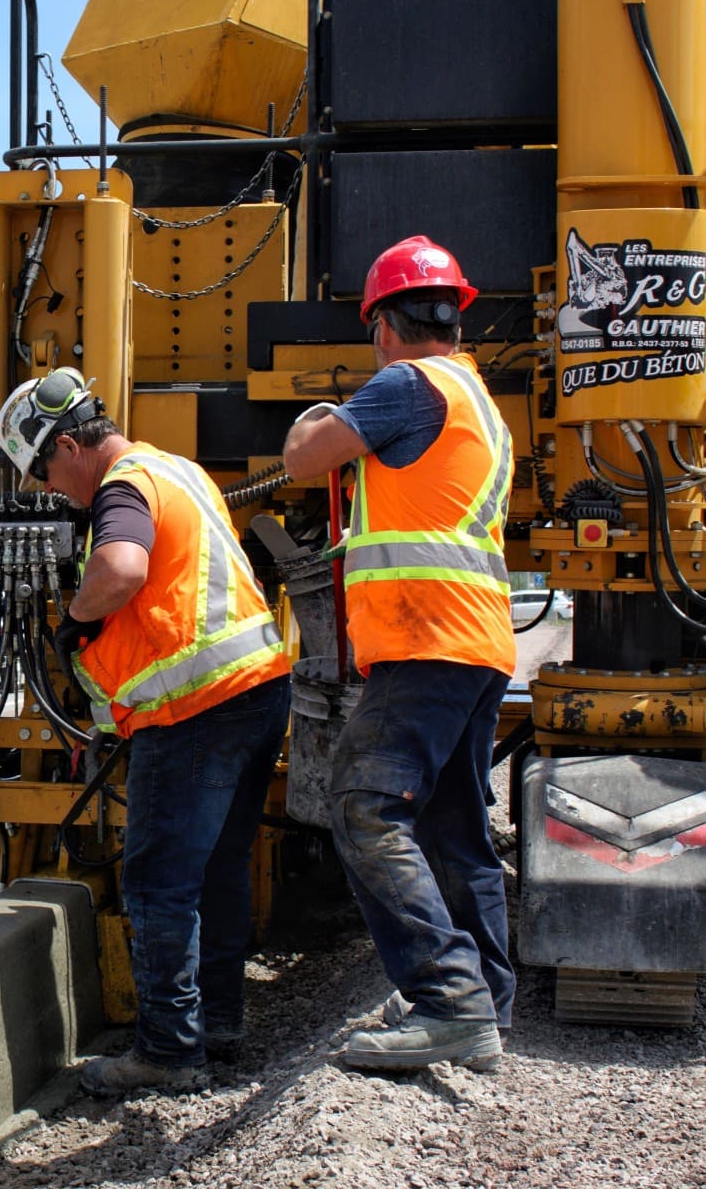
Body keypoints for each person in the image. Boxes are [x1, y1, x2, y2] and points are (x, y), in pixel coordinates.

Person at [0, 367, 292, 1098]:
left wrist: (77, 620)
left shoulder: (122, 487)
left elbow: (122, 568)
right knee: (218, 871)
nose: (49, 489)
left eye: (45, 470)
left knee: (158, 883)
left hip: (197, 711)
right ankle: (215, 1025)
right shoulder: (179, 472)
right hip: (258, 692)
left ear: (69, 443)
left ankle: (167, 1053)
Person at [282, 236, 516, 1074]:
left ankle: (449, 1003)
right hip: (477, 641)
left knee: (364, 808)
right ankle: (486, 998)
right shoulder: (478, 399)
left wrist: (317, 417)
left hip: (427, 640)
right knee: (456, 828)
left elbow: (306, 458)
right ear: (454, 313)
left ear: (384, 323)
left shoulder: (405, 386)